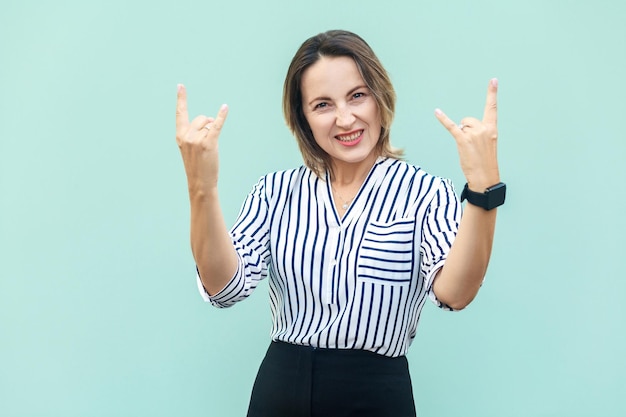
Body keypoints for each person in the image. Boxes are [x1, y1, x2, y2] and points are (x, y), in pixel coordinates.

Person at [175, 29, 505, 417]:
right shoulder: (275, 191)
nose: (345, 118)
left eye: (357, 96)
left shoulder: (425, 193)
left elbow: (456, 292)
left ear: (380, 97)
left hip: (377, 397)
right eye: (322, 104)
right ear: (304, 119)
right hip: (280, 392)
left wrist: (484, 191)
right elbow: (223, 287)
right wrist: (202, 188)